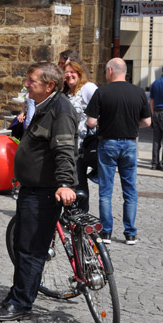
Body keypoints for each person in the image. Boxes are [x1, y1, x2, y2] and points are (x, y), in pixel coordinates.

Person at [0, 62, 77, 322]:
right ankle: (17, 294)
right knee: (23, 244)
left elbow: (64, 150)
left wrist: (64, 183)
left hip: (45, 191)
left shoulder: (60, 110)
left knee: (31, 249)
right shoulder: (44, 106)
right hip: (31, 188)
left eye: (31, 81)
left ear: (49, 85)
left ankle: (21, 303)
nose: (26, 84)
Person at [86, 58, 151, 245]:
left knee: (106, 190)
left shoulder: (102, 92)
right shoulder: (138, 92)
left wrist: (105, 123)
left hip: (108, 143)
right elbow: (147, 122)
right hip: (130, 144)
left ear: (110, 70)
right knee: (130, 190)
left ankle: (106, 232)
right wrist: (131, 125)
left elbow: (91, 122)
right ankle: (130, 233)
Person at [62, 60, 98, 212]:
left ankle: (82, 214)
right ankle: (70, 213)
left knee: (79, 180)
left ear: (79, 73)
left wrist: (93, 123)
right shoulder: (65, 93)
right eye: (66, 72)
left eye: (72, 72)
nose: (69, 75)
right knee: (68, 180)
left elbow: (100, 107)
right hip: (67, 144)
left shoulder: (87, 88)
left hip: (82, 145)